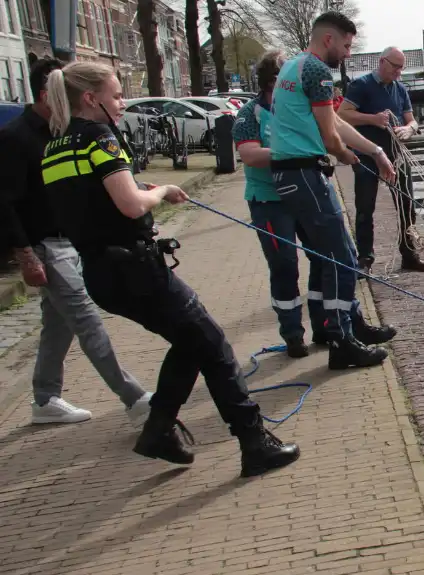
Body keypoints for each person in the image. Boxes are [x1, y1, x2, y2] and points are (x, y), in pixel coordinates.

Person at [39, 61, 299, 477]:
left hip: (100, 272)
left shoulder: (55, 147)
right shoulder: (99, 138)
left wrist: (144, 191)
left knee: (190, 341)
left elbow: (91, 198)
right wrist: (157, 191)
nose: (122, 102)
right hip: (135, 268)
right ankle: (254, 443)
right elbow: (127, 205)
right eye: (117, 94)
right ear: (91, 99)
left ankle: (159, 428)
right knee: (213, 344)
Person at [0, 57, 152, 426]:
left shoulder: (64, 132)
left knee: (58, 322)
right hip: (44, 245)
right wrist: (25, 254)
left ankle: (44, 398)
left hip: (71, 241)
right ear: (45, 94)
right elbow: (3, 202)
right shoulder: (16, 138)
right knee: (85, 319)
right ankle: (136, 398)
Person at [233, 49, 396, 358]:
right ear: (275, 81)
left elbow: (335, 125)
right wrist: (297, 154)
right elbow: (250, 155)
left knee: (329, 258)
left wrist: (374, 150)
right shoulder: (250, 113)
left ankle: (332, 324)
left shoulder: (299, 107)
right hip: (271, 200)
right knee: (284, 266)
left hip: (304, 192)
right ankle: (293, 333)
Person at [267, 11, 400, 370]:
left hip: (295, 176)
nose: (346, 53)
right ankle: (343, 341)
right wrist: (352, 160)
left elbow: (336, 121)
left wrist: (374, 151)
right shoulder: (316, 71)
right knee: (340, 259)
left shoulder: (294, 66)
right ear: (329, 39)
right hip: (304, 174)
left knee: (337, 252)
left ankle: (351, 325)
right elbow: (331, 137)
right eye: (346, 45)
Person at [337, 46, 424, 273]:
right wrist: (373, 119)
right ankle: (365, 260)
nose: (399, 72)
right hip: (368, 155)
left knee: (407, 205)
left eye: (402, 68)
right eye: (396, 67)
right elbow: (342, 115)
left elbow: (412, 120)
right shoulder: (361, 85)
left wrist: (409, 129)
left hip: (396, 154)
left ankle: (409, 255)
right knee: (365, 208)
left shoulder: (400, 88)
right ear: (382, 62)